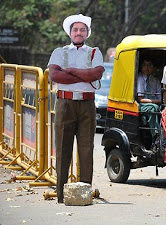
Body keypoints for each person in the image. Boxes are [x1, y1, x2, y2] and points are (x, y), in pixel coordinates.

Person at [47, 14, 104, 203]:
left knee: (86, 149)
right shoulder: (58, 52)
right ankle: (61, 195)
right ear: (70, 32)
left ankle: (84, 193)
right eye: (75, 30)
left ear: (87, 33)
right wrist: (85, 77)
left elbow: (96, 73)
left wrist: (70, 71)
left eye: (82, 30)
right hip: (65, 104)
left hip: (87, 104)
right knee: (63, 148)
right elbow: (55, 76)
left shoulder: (95, 52)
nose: (78, 33)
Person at [137, 58, 162, 149]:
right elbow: (140, 99)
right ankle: (156, 137)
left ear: (153, 68)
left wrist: (161, 103)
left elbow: (160, 98)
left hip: (156, 103)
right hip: (143, 105)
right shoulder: (139, 79)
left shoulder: (155, 81)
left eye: (150, 65)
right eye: (144, 65)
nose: (147, 68)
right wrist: (158, 102)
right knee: (153, 108)